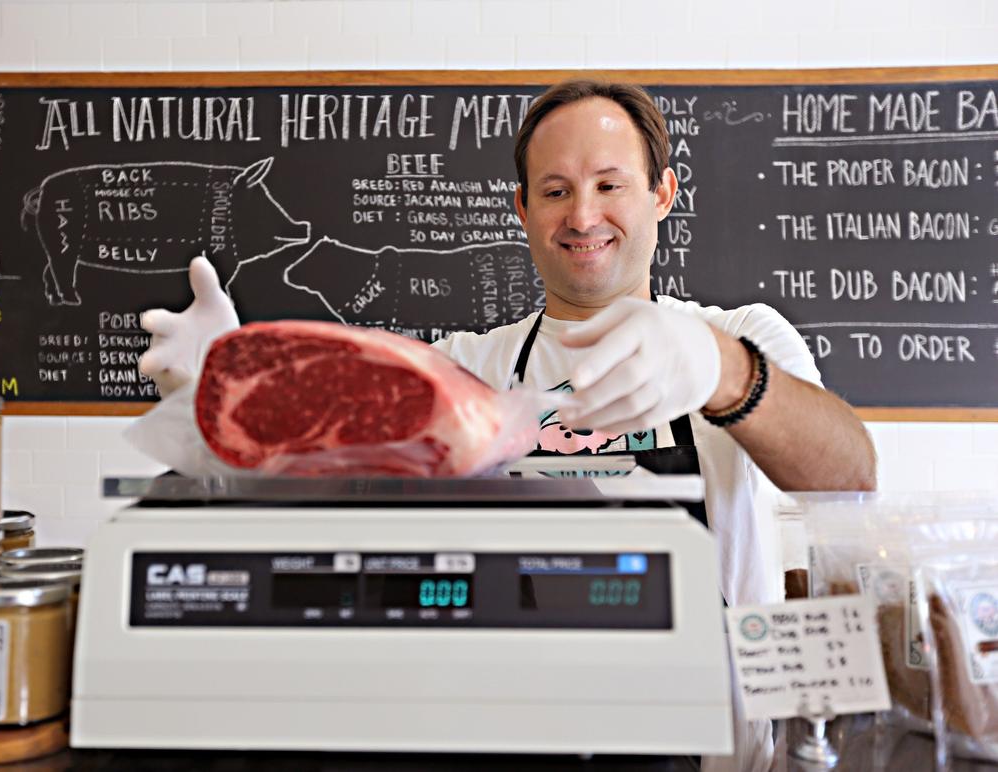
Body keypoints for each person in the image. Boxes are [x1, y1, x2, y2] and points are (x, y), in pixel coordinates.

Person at [139, 79, 877, 770]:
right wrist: (220, 395)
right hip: (512, 738)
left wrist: (723, 372)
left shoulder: (742, 335)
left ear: (662, 194)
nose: (583, 216)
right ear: (522, 209)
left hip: (710, 747)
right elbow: (313, 499)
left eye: (610, 185)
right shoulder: (462, 366)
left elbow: (849, 476)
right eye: (556, 191)